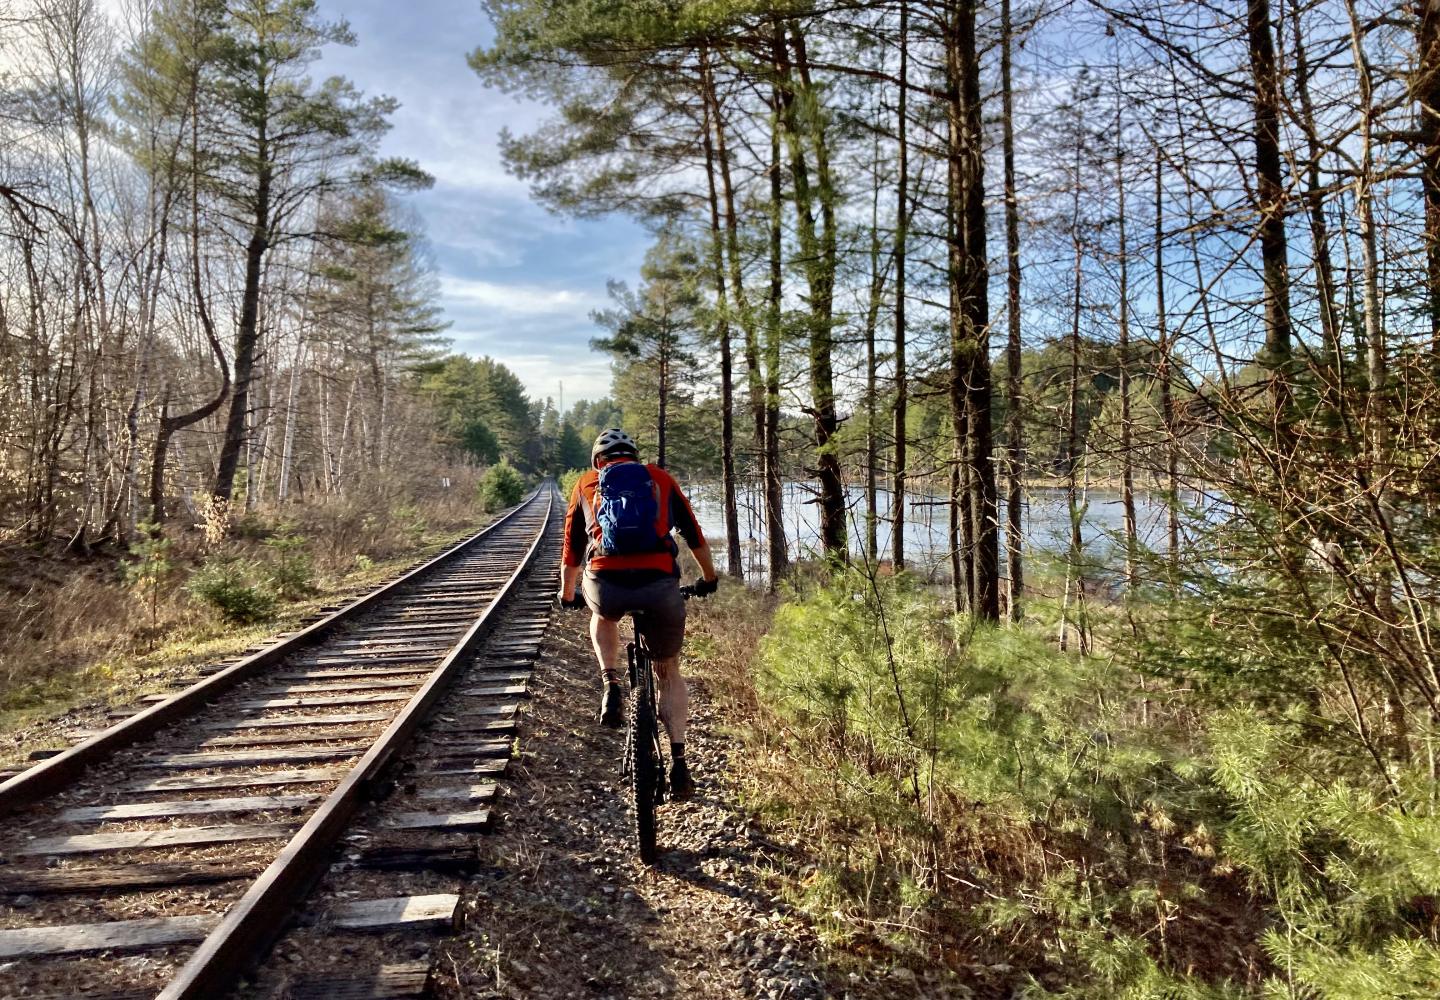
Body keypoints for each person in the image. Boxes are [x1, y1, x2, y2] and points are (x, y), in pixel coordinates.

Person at [557, 428, 718, 800]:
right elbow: (693, 534)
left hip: (605, 582)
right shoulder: (660, 478)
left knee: (602, 615)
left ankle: (610, 683)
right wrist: (708, 578)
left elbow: (571, 548)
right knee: (669, 670)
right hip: (659, 583)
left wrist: (568, 595)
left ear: (599, 460)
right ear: (633, 455)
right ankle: (679, 761)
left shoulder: (586, 483)